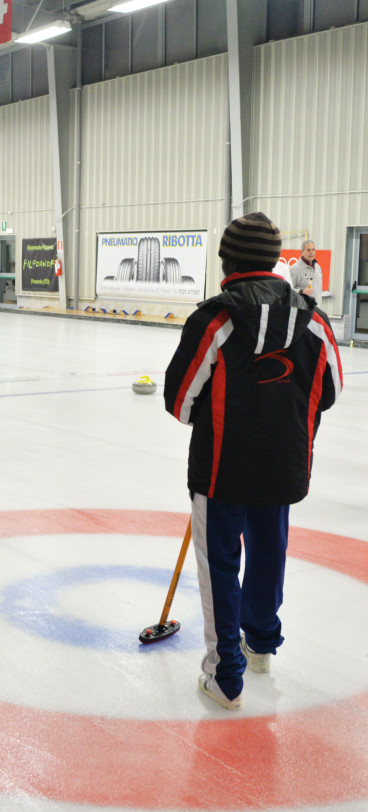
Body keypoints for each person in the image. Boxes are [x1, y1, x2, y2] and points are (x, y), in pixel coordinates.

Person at [164, 212, 342, 710]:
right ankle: (260, 646)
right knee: (270, 551)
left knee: (221, 564)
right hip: (284, 466)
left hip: (221, 471)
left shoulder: (214, 319)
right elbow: (328, 392)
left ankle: (226, 677)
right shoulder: (315, 318)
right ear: (273, 259)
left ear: (227, 261)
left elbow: (179, 402)